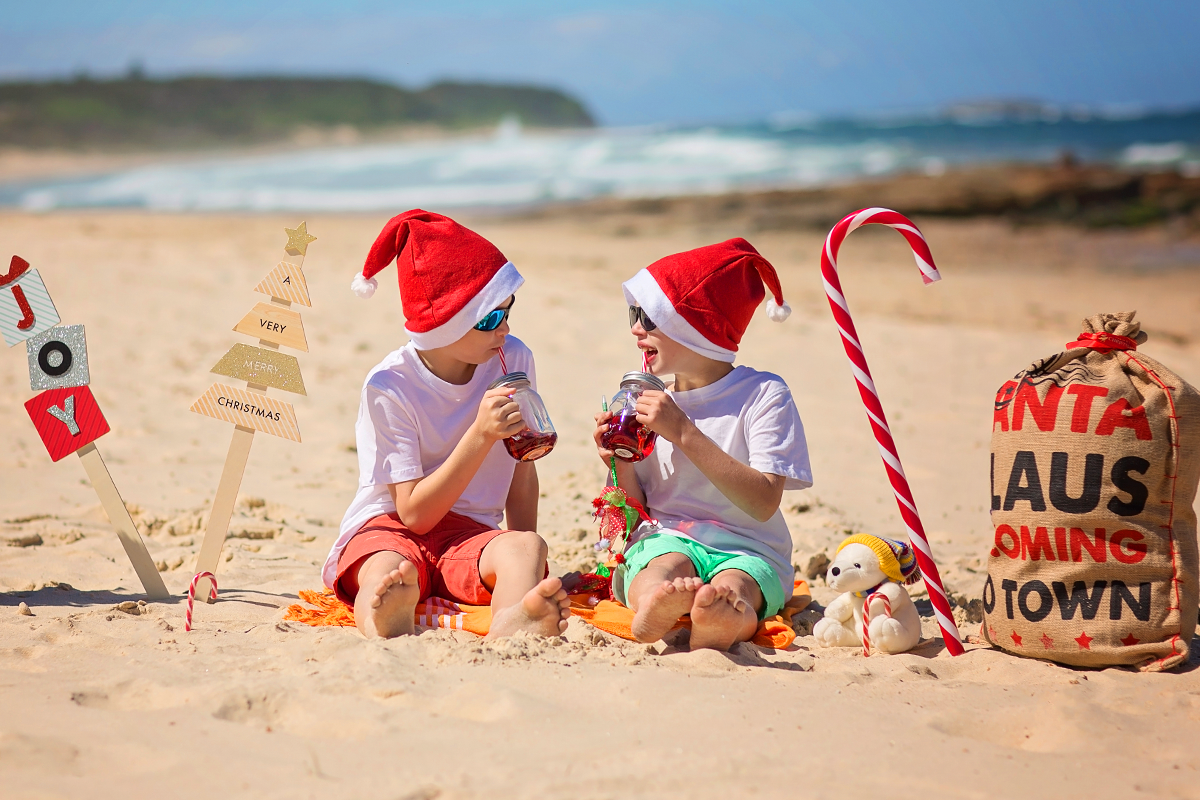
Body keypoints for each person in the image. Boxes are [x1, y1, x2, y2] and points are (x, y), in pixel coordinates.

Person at [322, 209, 570, 639]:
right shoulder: (390, 385)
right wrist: (481, 433)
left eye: (508, 311)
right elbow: (414, 514)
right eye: (490, 318)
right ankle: (381, 616)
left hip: (468, 534)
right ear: (444, 323)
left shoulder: (514, 359)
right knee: (387, 568)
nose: (505, 328)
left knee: (528, 546)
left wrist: (518, 558)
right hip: (390, 525)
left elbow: (520, 470)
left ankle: (513, 621)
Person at [593, 239, 812, 650]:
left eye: (649, 317)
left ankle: (721, 619)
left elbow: (764, 502)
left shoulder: (763, 394)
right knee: (660, 565)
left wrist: (683, 432)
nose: (635, 328)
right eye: (634, 314)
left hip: (750, 545)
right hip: (668, 535)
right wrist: (617, 460)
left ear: (697, 329)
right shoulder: (649, 400)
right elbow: (637, 510)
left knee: (739, 585)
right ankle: (653, 608)